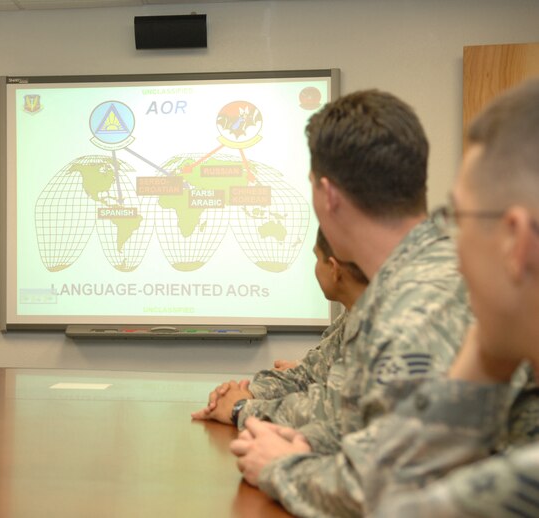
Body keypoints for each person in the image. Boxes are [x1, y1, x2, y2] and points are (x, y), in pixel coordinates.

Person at [228, 89, 472, 517]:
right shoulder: (410, 279)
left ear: (328, 195)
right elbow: (367, 424)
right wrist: (302, 442)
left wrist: (282, 466)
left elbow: (399, 492)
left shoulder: (420, 304)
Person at [346, 78, 539, 516]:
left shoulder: (518, 488)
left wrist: (482, 354)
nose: (453, 254)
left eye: (458, 218)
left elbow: (388, 503)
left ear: (516, 241)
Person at [192, 228, 369, 450]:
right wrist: (251, 393)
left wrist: (241, 408)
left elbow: (333, 411)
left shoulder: (378, 321)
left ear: (333, 269)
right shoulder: (355, 314)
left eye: (316, 259)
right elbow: (306, 374)